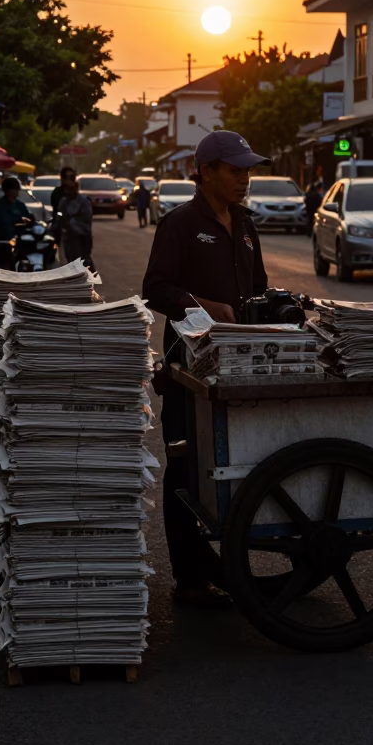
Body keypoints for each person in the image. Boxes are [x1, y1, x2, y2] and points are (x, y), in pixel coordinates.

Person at [143, 129, 270, 608]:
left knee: (232, 464)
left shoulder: (246, 224)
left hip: (239, 367)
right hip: (187, 369)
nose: (245, 179)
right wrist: (206, 306)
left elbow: (258, 289)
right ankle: (190, 580)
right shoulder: (179, 223)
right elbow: (155, 288)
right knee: (185, 470)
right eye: (236, 170)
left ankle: (221, 563)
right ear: (206, 172)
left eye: (248, 170)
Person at [53, 176, 94, 269]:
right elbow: (59, 213)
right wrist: (58, 222)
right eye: (67, 189)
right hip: (68, 234)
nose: (69, 192)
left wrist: (73, 221)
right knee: (70, 257)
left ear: (76, 189)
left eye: (71, 189)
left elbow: (87, 217)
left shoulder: (84, 201)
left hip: (82, 234)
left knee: (84, 257)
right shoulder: (63, 201)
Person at [0, 176, 34, 240]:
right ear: (9, 190)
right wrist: (19, 220)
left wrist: (31, 220)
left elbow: (28, 217)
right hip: (5, 240)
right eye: (16, 189)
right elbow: (1, 221)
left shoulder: (20, 204)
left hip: (21, 239)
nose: (18, 191)